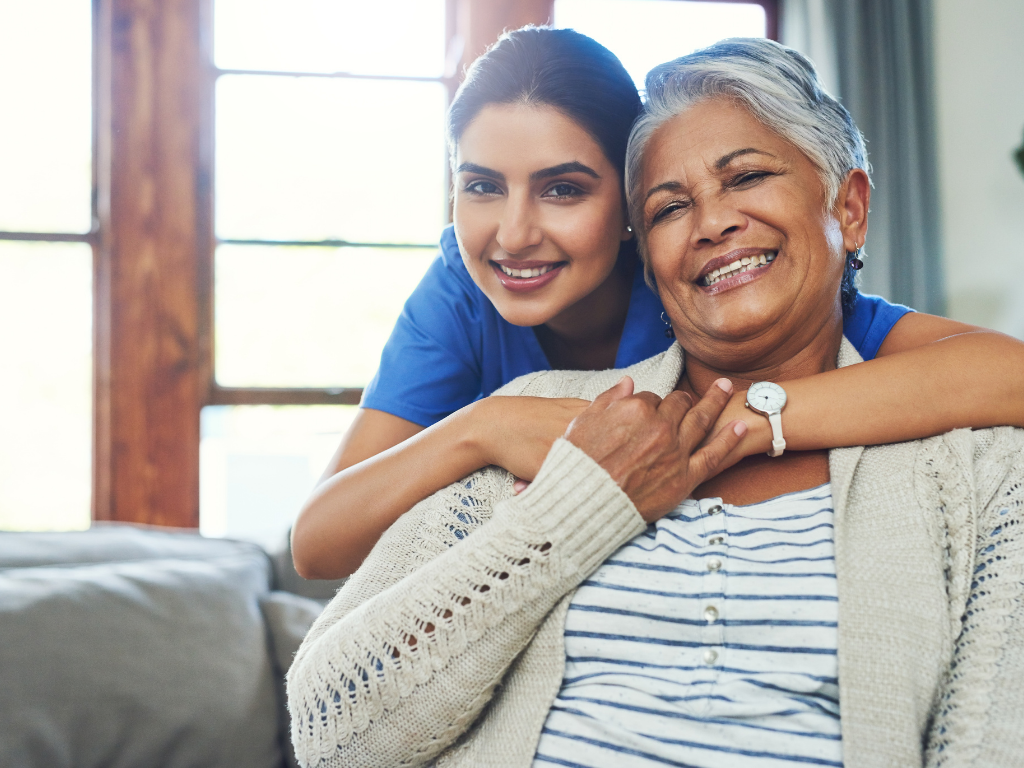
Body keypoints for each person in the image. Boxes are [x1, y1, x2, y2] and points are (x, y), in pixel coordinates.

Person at [285, 38, 1024, 767]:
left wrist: (725, 425)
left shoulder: (764, 295)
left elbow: (1001, 374)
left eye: (564, 188)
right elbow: (321, 562)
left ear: (622, 223)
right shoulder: (466, 303)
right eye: (671, 206)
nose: (515, 232)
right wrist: (490, 426)